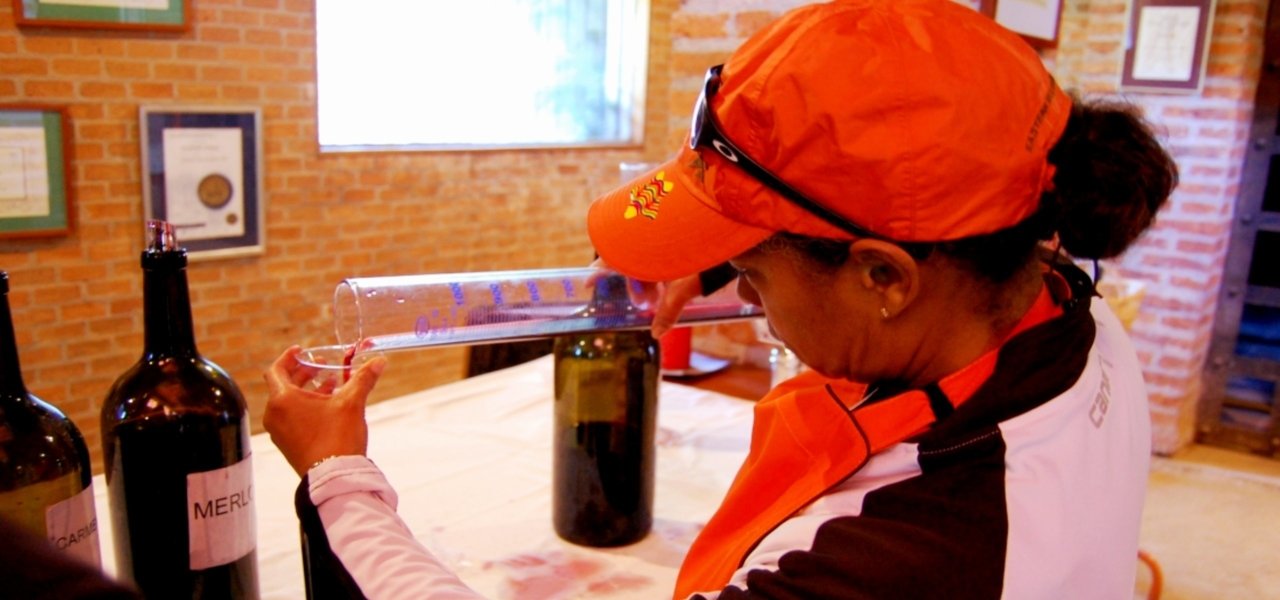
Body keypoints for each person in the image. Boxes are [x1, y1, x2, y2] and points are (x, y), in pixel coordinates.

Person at [264, 0, 1178, 597]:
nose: (743, 293)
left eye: (754, 269)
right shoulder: (1065, 306)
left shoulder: (907, 557)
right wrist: (706, 260)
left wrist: (339, 480)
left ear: (884, 279)